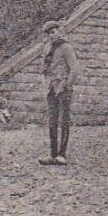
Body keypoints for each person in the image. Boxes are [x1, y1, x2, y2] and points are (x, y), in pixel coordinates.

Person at [40, 20, 80, 166]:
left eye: (53, 32)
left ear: (59, 31)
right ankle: (52, 154)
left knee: (64, 121)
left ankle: (62, 155)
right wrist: (46, 82)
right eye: (48, 34)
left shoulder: (66, 47)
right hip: (51, 88)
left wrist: (67, 85)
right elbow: (44, 68)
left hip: (63, 88)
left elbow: (75, 68)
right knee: (52, 122)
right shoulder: (47, 48)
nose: (51, 36)